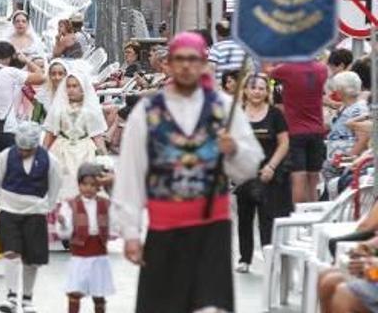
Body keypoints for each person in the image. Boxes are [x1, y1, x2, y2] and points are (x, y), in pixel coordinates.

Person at [113, 31, 263, 313]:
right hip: (164, 228)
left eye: (193, 59)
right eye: (179, 59)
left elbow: (249, 167)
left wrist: (233, 150)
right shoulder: (147, 112)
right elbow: (131, 173)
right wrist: (130, 231)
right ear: (167, 64)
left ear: (205, 64)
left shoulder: (222, 107)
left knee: (210, 306)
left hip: (211, 229)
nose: (185, 66)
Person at [0, 121, 62, 313]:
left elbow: (55, 185)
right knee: (11, 253)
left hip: (35, 212)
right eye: (21, 148)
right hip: (9, 210)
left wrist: (46, 206)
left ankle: (27, 298)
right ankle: (12, 296)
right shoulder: (4, 157)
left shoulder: (49, 160)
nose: (24, 152)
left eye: (28, 149)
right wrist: (4, 203)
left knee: (32, 259)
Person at [235, 74, 291, 273]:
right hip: (244, 173)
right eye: (253, 88)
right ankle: (245, 258)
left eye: (261, 88)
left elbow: (284, 143)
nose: (257, 92)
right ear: (245, 91)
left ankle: (269, 257)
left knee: (268, 218)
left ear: (266, 92)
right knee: (244, 217)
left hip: (269, 173)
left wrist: (271, 167)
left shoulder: (275, 114)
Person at [0, 41, 45, 170]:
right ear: (9, 58)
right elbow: (41, 77)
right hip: (5, 130)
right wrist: (26, 60)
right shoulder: (9, 72)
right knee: (6, 175)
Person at [268, 58, 329, 203]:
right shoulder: (322, 69)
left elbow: (268, 72)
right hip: (317, 130)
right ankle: (314, 216)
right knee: (313, 181)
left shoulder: (286, 69)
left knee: (298, 178)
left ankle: (299, 217)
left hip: (295, 130)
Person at [43, 68, 108, 202]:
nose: (71, 89)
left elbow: (97, 136)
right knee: (61, 185)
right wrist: (41, 154)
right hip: (61, 149)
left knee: (85, 180)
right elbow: (50, 133)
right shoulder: (59, 108)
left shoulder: (90, 109)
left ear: (82, 88)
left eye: (75, 86)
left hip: (85, 149)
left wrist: (104, 160)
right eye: (68, 86)